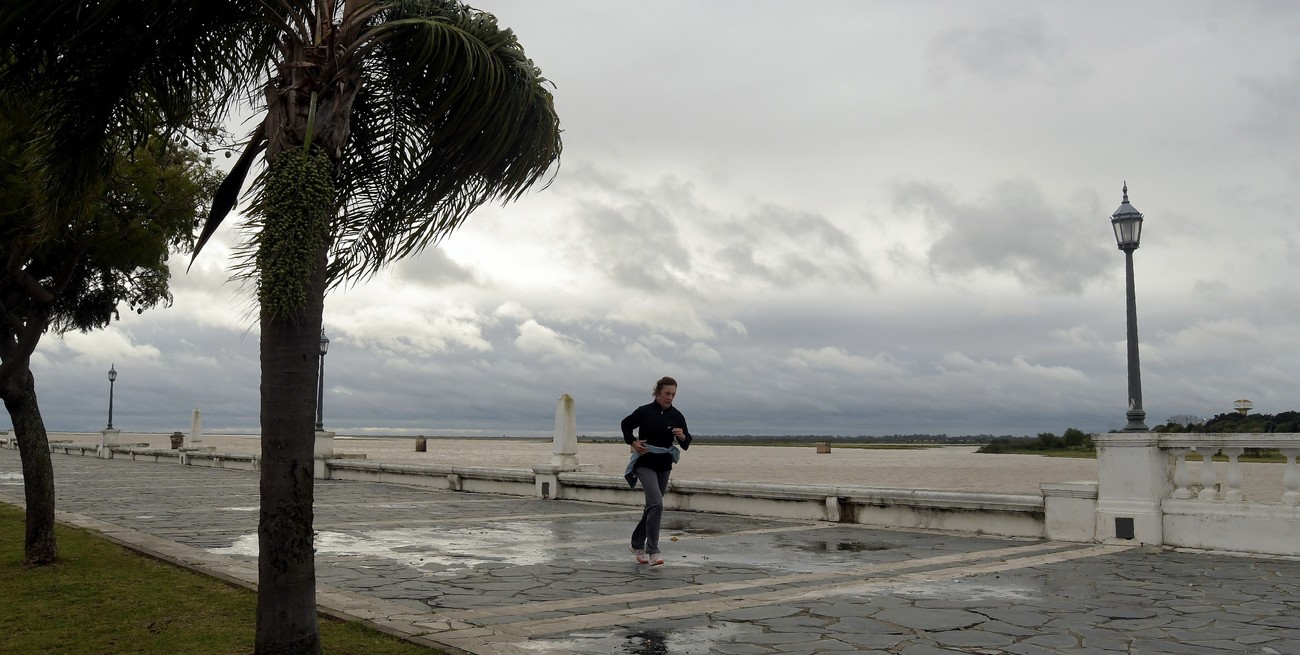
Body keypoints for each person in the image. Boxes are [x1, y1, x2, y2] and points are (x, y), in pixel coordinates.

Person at [621, 375, 692, 566]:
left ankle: (637, 544)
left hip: (664, 465)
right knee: (657, 504)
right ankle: (653, 551)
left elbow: (686, 443)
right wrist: (633, 442)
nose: (670, 397)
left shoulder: (676, 415)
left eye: (673, 394)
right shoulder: (644, 411)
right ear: (657, 393)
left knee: (652, 506)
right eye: (667, 393)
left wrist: (682, 436)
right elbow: (626, 425)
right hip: (644, 462)